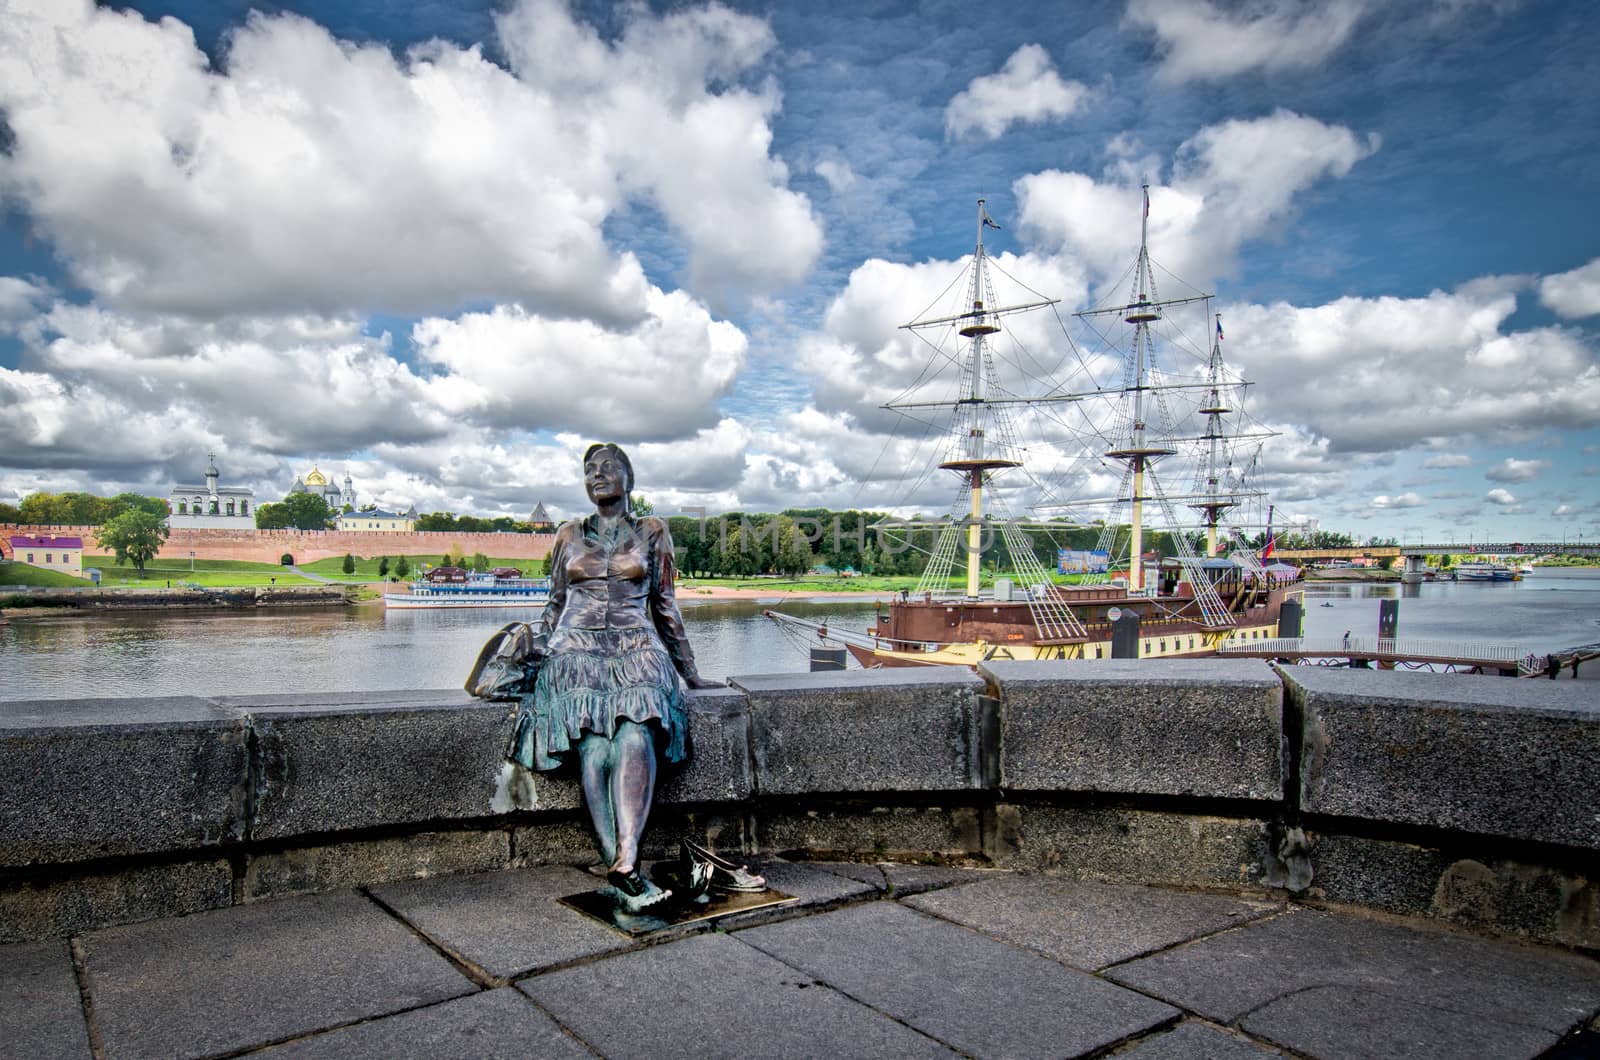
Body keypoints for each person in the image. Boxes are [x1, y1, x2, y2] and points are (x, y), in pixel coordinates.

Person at [504, 443, 718, 913]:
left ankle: (626, 859)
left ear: (629, 478)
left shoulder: (652, 531)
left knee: (635, 732)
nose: (596, 475)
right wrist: (532, 651)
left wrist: (690, 672)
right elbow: (554, 605)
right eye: (588, 470)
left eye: (607, 468)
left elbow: (665, 605)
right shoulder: (567, 535)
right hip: (573, 655)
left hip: (638, 651)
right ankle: (622, 864)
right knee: (595, 746)